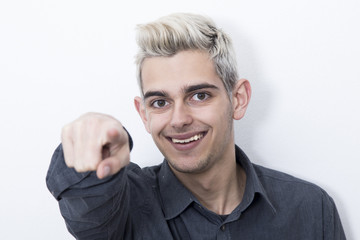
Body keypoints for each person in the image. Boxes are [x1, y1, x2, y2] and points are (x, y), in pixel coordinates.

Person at [46, 13, 346, 239]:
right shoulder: (124, 207)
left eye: (199, 95)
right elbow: (86, 203)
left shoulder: (311, 208)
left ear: (238, 99)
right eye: (160, 102)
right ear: (144, 114)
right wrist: (95, 147)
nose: (178, 120)